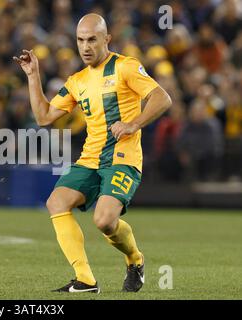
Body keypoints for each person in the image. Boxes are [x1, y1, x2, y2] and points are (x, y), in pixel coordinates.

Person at [14, 13, 171, 293]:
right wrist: (33, 75)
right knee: (56, 202)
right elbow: (44, 117)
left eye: (92, 40)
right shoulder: (77, 80)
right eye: (80, 40)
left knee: (104, 222)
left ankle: (135, 259)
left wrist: (134, 123)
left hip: (123, 159)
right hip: (90, 159)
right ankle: (85, 279)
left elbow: (162, 97)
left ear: (107, 39)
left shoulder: (126, 67)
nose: (85, 47)